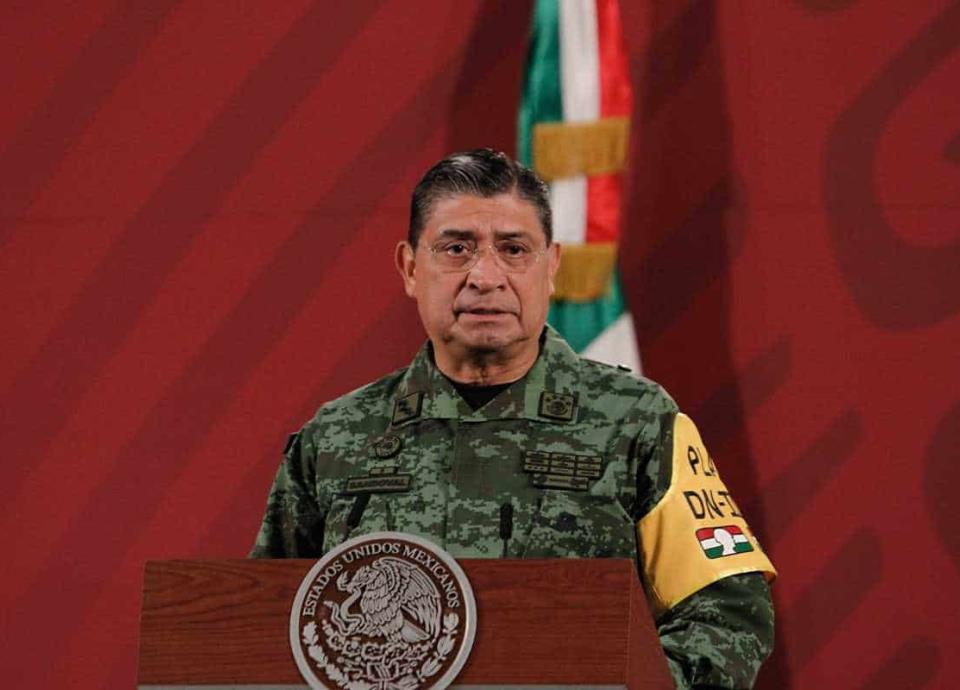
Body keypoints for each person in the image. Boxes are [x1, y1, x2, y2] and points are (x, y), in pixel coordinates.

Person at [250, 148, 777, 689]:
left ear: (551, 267)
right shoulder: (336, 438)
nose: (485, 276)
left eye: (513, 249)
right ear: (410, 268)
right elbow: (262, 627)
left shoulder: (638, 423)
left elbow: (728, 614)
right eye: (456, 248)